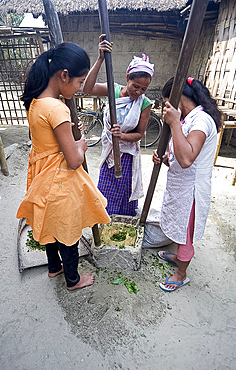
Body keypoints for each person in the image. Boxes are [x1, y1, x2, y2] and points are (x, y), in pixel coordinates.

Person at [17, 43, 110, 291]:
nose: (80, 87)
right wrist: (81, 146)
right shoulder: (58, 109)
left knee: (51, 224)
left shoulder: (36, 102)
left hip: (42, 175)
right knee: (67, 230)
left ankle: (53, 267)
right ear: (64, 75)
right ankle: (73, 279)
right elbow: (73, 160)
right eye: (80, 81)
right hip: (60, 178)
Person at [153, 77, 221, 292]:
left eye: (167, 103)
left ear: (178, 100)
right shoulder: (190, 119)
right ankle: (179, 258)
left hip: (191, 191)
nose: (166, 109)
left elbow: (187, 159)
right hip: (182, 186)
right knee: (182, 228)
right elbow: (180, 154)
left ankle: (181, 275)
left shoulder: (201, 121)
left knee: (186, 232)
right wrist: (166, 159)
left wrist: (173, 122)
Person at [83, 35, 154, 216]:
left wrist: (121, 136)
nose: (138, 92)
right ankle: (104, 223)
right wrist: (100, 59)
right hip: (109, 156)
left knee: (124, 196)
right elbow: (87, 88)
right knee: (106, 193)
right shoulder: (113, 90)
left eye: (143, 89)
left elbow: (139, 134)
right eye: (135, 86)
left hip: (128, 157)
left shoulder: (145, 104)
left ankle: (122, 226)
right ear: (127, 77)